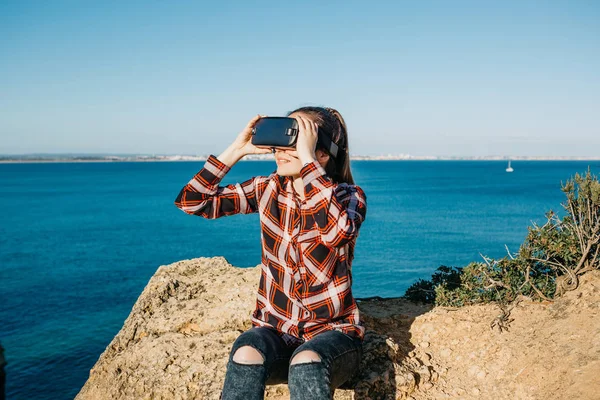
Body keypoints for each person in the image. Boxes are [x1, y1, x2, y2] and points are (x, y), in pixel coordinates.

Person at [174, 106, 367, 400]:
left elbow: (335, 232)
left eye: (294, 143)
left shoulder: (348, 197)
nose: (280, 151)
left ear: (323, 154)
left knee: (306, 362)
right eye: (281, 143)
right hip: (276, 332)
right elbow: (192, 202)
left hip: (334, 336)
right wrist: (237, 150)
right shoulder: (267, 189)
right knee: (246, 350)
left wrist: (307, 161)